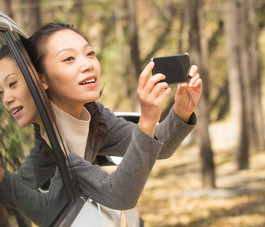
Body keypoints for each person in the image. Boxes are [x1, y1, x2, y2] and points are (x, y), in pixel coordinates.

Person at [0, 23, 202, 226]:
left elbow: (159, 146)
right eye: (69, 58)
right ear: (41, 80)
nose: (87, 64)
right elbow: (120, 195)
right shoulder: (58, 146)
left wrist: (181, 111)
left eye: (89, 53)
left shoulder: (94, 115)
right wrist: (147, 120)